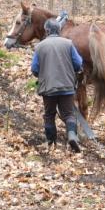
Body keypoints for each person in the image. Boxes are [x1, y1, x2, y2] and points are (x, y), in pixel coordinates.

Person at [31, 19, 83, 152]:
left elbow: (34, 69)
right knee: (69, 114)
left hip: (48, 88)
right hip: (67, 87)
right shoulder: (69, 44)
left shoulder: (40, 46)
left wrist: (43, 75)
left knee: (49, 115)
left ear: (47, 31)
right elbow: (78, 64)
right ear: (59, 30)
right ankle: (71, 135)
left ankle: (51, 142)